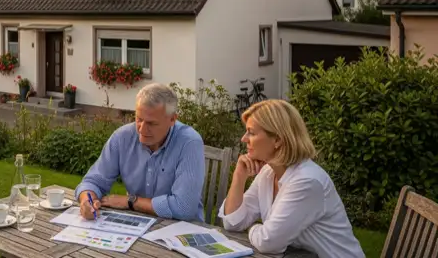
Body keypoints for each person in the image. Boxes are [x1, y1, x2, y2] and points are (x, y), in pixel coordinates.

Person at [219, 99, 364, 257]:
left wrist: (252, 227)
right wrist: (239, 177)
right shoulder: (268, 173)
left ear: (278, 140)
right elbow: (232, 222)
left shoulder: (307, 181)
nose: (244, 139)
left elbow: (269, 243)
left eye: (251, 132)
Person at [75, 82, 205, 222]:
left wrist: (131, 201)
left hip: (181, 230)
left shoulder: (189, 143)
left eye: (151, 123)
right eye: (139, 119)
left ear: (172, 119)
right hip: (138, 223)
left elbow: (184, 208)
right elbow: (93, 181)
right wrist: (87, 199)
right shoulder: (122, 137)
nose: (142, 130)